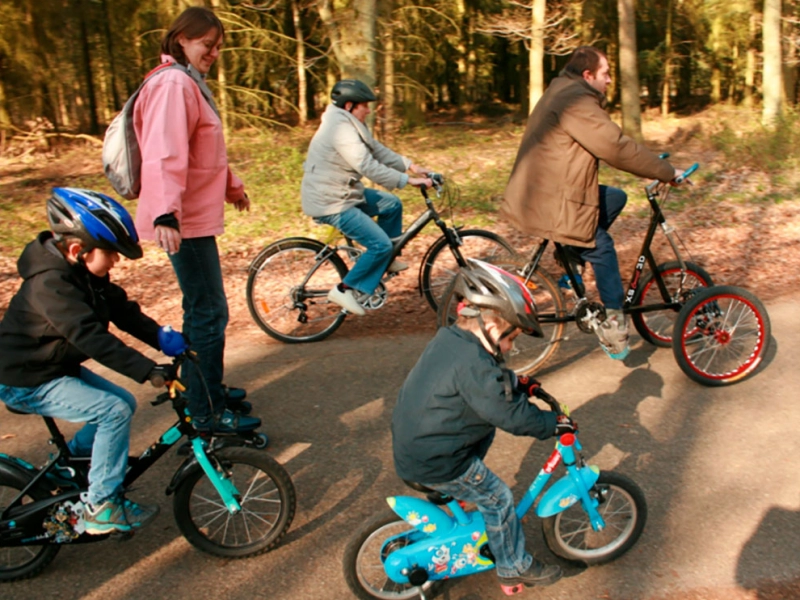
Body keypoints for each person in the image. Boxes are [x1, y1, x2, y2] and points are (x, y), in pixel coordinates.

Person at [0, 188, 177, 535]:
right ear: (78, 250)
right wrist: (148, 370)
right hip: (24, 379)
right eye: (111, 254)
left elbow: (120, 310)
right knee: (111, 410)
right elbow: (92, 338)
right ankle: (101, 506)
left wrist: (160, 337)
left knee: (122, 401)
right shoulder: (50, 285)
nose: (116, 262)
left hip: (50, 368)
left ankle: (68, 471)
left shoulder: (82, 273)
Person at [392, 259, 576, 591]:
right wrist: (553, 423)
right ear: (492, 328)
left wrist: (516, 383)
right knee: (499, 499)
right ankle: (513, 566)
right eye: (511, 339)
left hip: (418, 445)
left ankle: (459, 498)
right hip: (438, 461)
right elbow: (513, 416)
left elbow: (483, 382)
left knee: (482, 426)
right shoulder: (475, 366)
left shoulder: (452, 340)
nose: (510, 348)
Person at [501, 45, 685, 360]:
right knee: (602, 247)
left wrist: (653, 162)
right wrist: (666, 171)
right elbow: (614, 146)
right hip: (551, 200)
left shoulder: (563, 89)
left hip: (546, 190)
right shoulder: (576, 101)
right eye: (606, 74)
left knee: (615, 198)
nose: (610, 81)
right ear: (588, 75)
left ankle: (571, 254)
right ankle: (613, 324)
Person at [133, 6, 259, 433]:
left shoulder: (187, 82)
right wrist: (166, 212)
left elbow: (203, 151)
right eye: (208, 44)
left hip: (190, 217)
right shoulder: (173, 85)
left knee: (203, 310)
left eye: (219, 47)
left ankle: (207, 392)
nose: (214, 53)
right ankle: (207, 413)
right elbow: (165, 153)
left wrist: (232, 186)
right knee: (208, 313)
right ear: (182, 38)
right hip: (181, 220)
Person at [301, 79, 435, 316]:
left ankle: (386, 258)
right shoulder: (339, 129)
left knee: (391, 205)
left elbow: (376, 149)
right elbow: (367, 165)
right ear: (350, 105)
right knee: (380, 244)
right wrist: (407, 181)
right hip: (332, 201)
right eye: (365, 105)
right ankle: (345, 289)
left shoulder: (349, 122)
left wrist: (411, 166)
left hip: (345, 192)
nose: (369, 109)